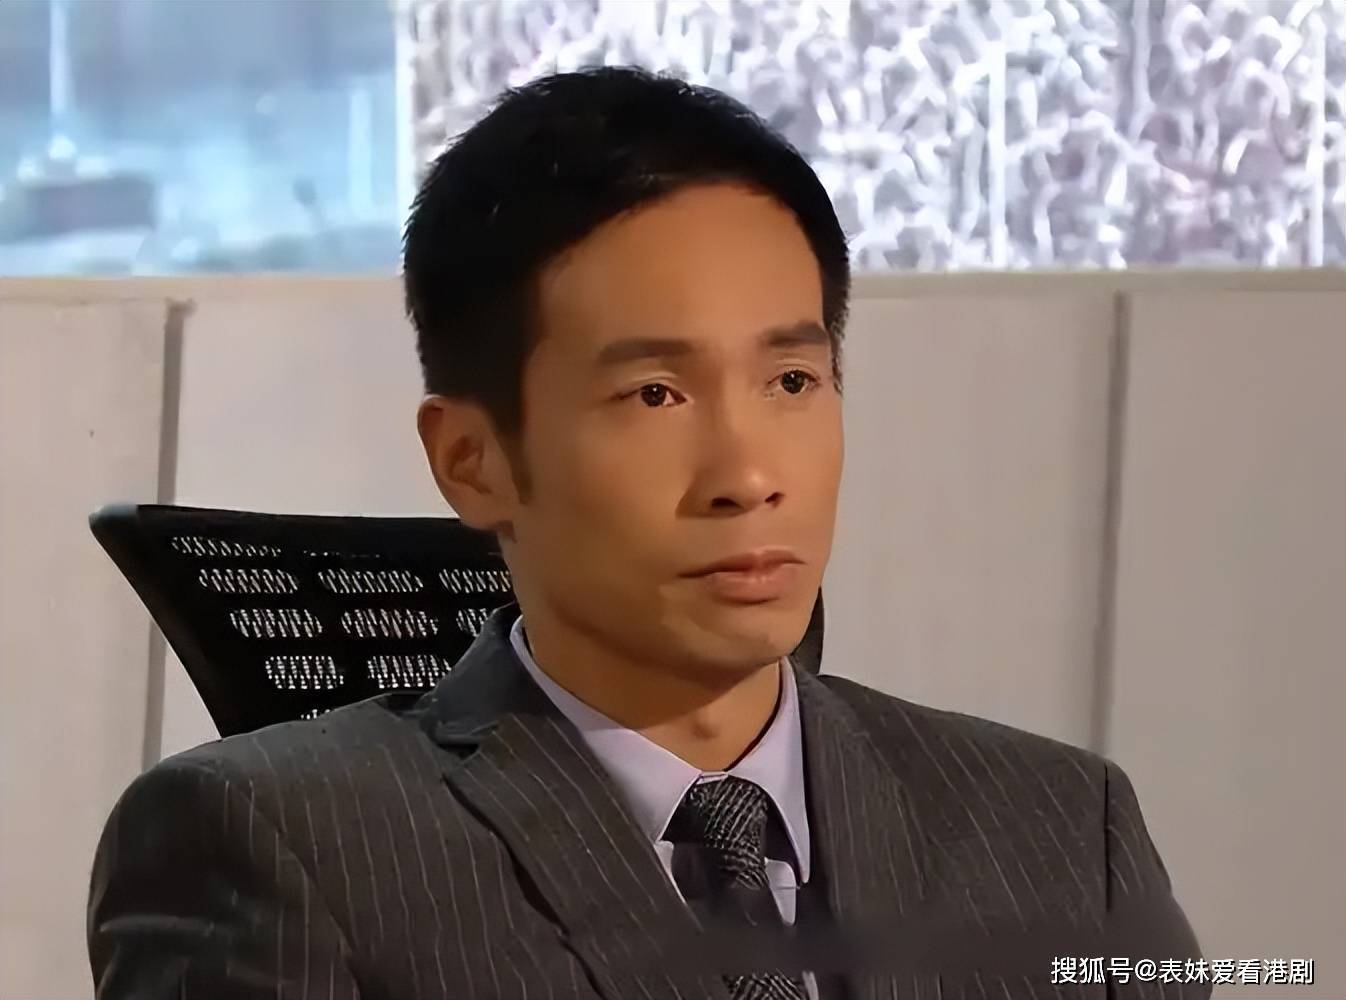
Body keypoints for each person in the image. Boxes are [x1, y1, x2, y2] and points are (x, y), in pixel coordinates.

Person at [87, 67, 1207, 1000]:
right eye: (655, 394)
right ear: (471, 459)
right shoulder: (280, 846)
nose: (749, 477)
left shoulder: (1063, 828)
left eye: (791, 379)